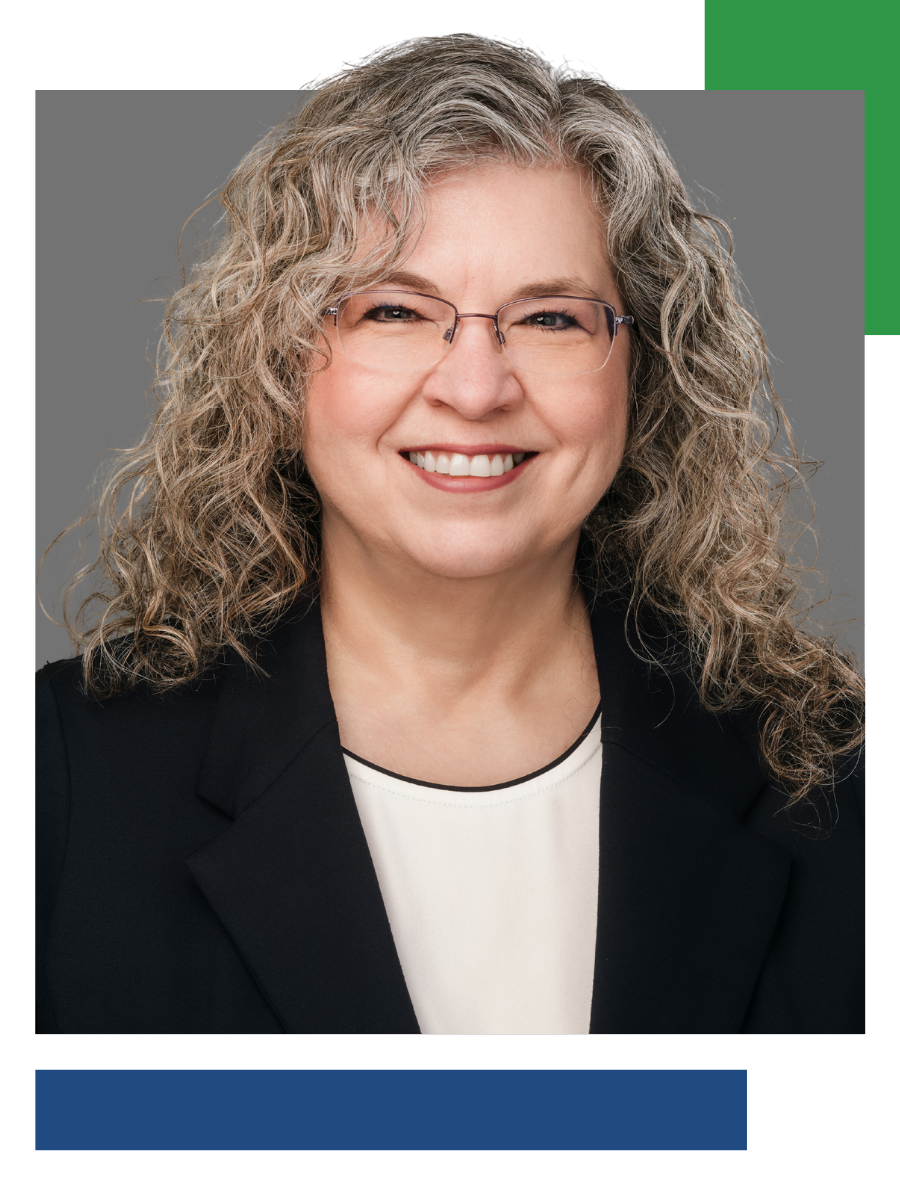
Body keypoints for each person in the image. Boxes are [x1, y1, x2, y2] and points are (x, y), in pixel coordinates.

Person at [36, 34, 864, 1034]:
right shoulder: (56, 776)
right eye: (394, 309)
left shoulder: (837, 781)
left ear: (644, 374)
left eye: (552, 319)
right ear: (281, 359)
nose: (475, 389)